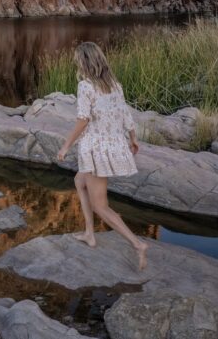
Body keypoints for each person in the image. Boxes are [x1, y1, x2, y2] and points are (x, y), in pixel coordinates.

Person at [56, 42, 149, 271]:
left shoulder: (86, 86)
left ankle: (137, 244)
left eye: (77, 60)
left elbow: (83, 119)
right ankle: (89, 233)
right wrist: (133, 137)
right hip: (112, 145)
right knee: (79, 180)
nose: (75, 63)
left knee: (101, 206)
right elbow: (125, 113)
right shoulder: (114, 85)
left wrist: (66, 145)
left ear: (84, 62)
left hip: (96, 149)